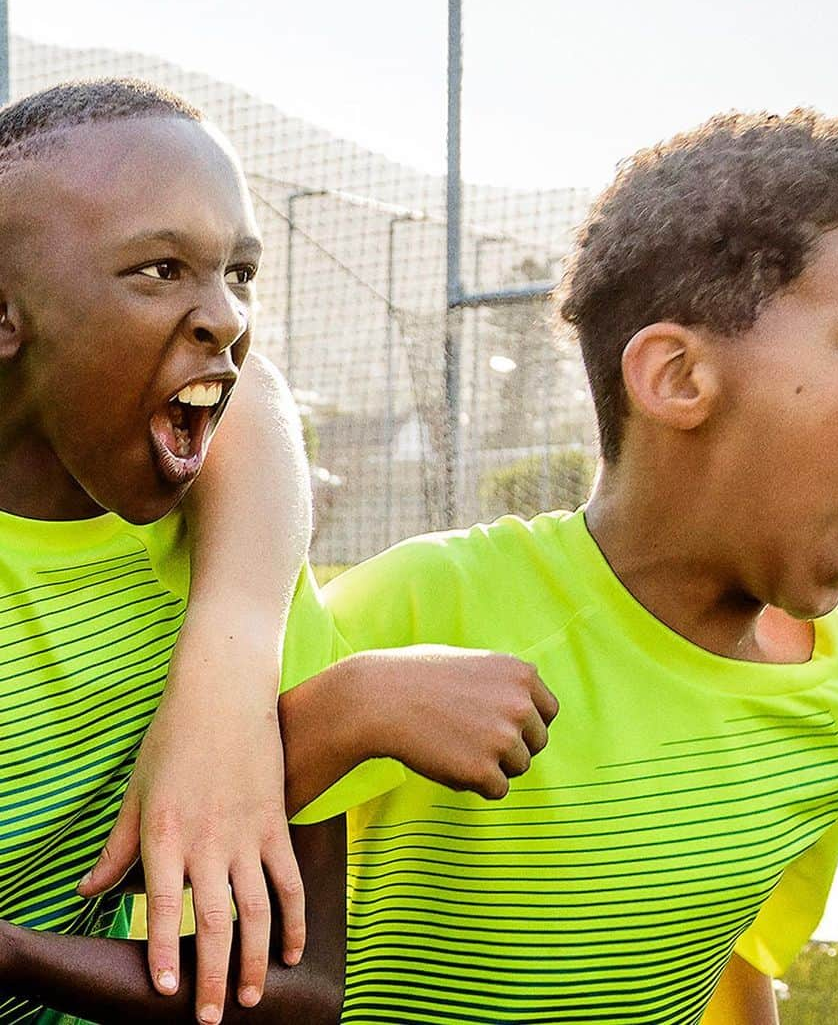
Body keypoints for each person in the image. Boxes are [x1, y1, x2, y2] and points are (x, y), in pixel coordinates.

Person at [199, 107, 838, 1023]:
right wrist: (348, 710)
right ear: (678, 378)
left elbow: (728, 963)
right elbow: (171, 843)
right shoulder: (428, 603)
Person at [0, 80, 556, 1025]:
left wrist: (14, 955)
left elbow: (304, 990)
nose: (226, 316)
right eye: (159, 270)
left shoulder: (231, 547)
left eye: (241, 273)